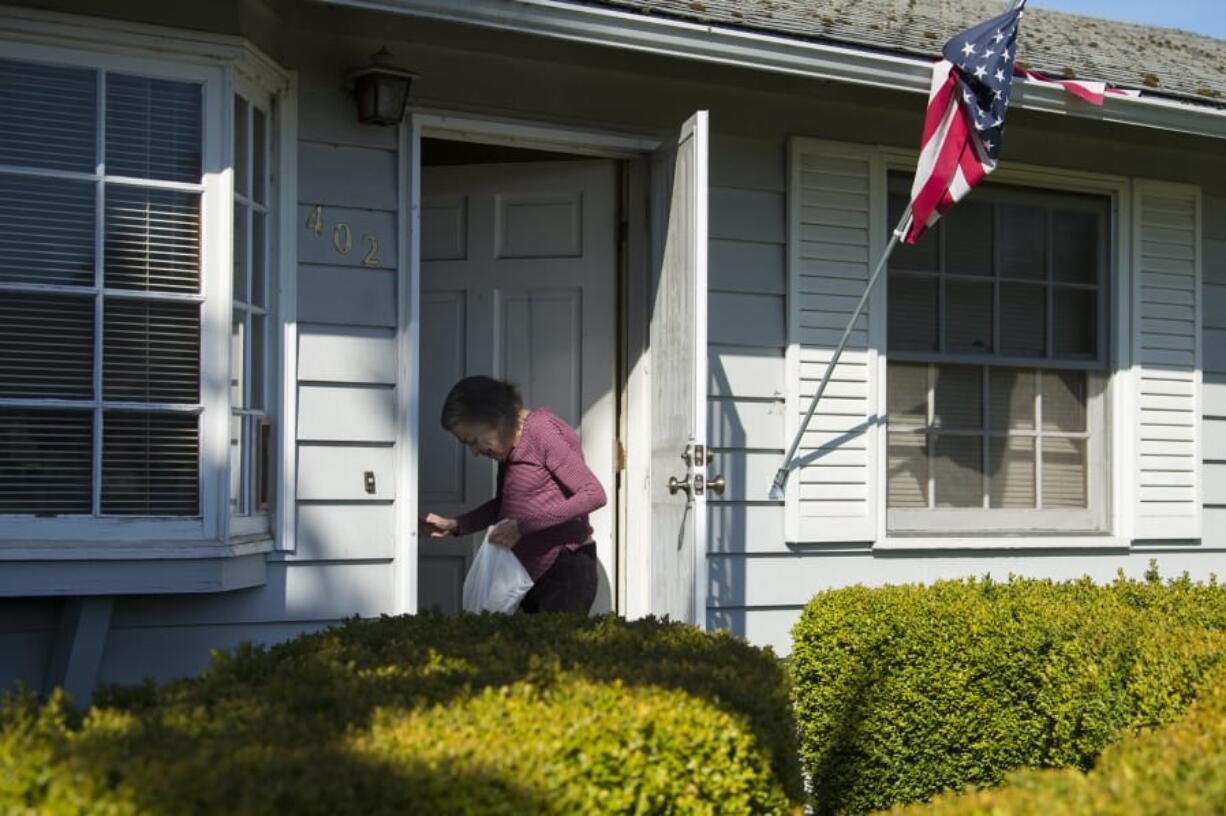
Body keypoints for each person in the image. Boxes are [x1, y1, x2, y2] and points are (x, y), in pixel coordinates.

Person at [420, 376, 606, 614]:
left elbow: (593, 494)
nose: (475, 452)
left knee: (555, 651)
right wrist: (456, 525)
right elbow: (503, 506)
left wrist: (522, 526)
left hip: (564, 572)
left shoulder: (541, 430)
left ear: (494, 418)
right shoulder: (509, 447)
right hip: (526, 572)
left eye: (473, 441)